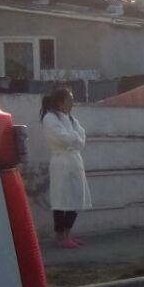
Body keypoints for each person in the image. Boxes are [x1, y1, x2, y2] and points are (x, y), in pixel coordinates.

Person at [41, 87, 91, 248]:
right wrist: (75, 139)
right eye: (70, 100)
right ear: (60, 102)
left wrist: (74, 140)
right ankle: (60, 236)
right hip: (61, 163)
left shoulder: (71, 119)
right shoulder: (50, 118)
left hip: (75, 162)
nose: (72, 103)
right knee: (62, 201)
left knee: (75, 199)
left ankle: (67, 234)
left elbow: (82, 137)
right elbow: (63, 139)